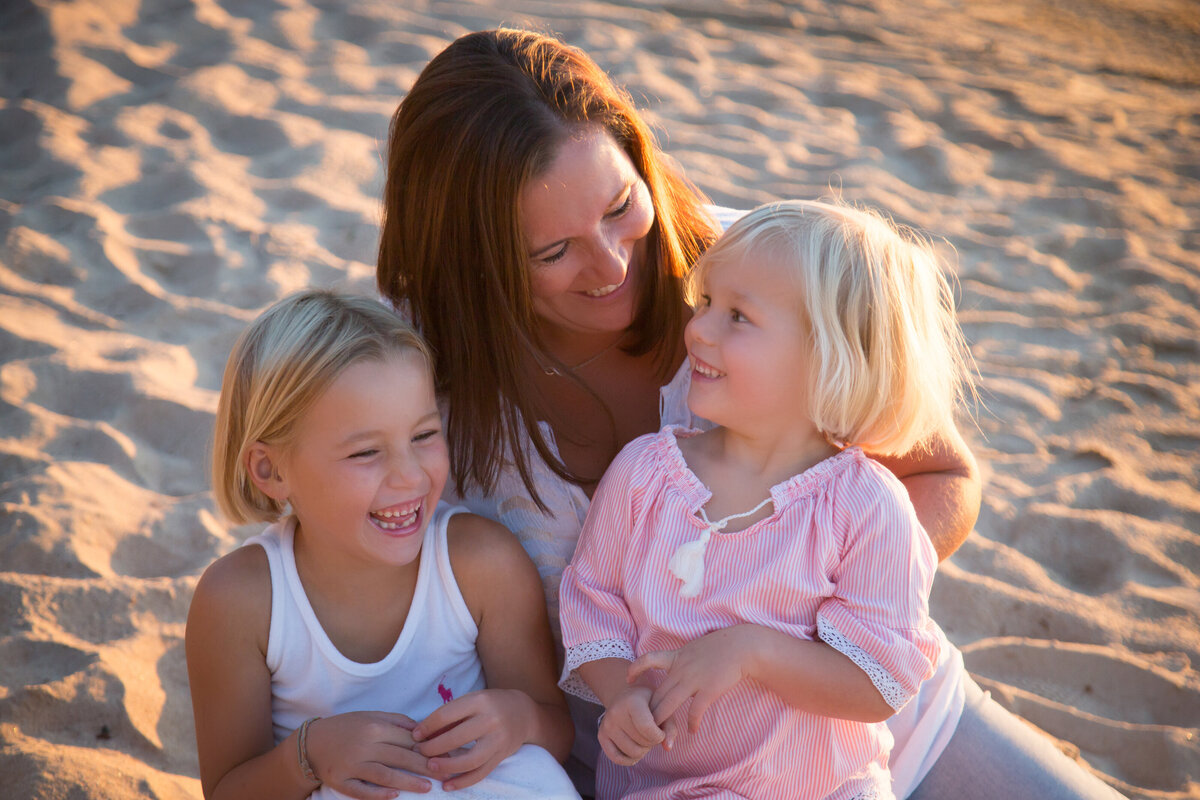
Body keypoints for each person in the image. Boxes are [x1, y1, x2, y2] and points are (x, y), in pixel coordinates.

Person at [377, 27, 1123, 800]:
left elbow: (940, 470)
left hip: (867, 735)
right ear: (474, 264)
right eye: (551, 252)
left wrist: (802, 632)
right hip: (655, 767)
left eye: (620, 206)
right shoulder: (413, 366)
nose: (612, 264)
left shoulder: (757, 267)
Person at [557, 199, 968, 799]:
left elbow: (878, 682)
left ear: (830, 357)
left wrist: (751, 652)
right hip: (663, 787)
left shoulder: (867, 507)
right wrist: (621, 693)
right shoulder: (645, 474)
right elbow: (592, 607)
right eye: (705, 303)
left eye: (738, 317)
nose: (698, 329)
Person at [186, 290, 579, 800]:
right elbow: (227, 791)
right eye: (367, 452)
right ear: (270, 470)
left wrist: (520, 719)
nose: (410, 476)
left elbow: (557, 729)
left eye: (423, 435)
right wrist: (309, 755)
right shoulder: (240, 601)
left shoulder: (481, 563)